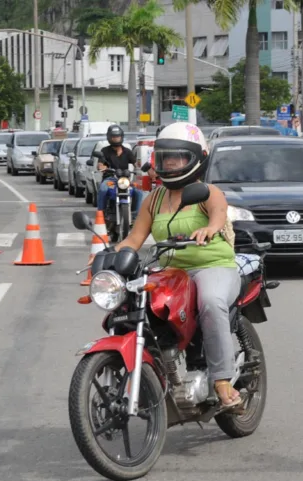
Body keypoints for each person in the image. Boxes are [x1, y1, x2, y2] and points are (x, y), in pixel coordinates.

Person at [94, 122, 243, 409]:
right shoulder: (155, 199)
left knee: (211, 301)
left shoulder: (207, 192)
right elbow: (135, 239)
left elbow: (218, 215)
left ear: (197, 158)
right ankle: (163, 373)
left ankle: (222, 380)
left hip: (212, 266)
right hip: (171, 273)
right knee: (134, 306)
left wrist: (209, 229)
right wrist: (108, 253)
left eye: (178, 157)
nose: (171, 163)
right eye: (165, 157)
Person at [97, 124, 142, 218]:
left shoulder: (127, 151)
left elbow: (136, 164)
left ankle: (135, 215)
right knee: (103, 189)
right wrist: (102, 167)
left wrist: (141, 167)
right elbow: (100, 164)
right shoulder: (105, 151)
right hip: (110, 180)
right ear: (109, 137)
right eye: (114, 137)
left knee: (138, 191)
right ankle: (101, 212)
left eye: (118, 136)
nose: (116, 139)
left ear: (121, 137)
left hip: (125, 180)